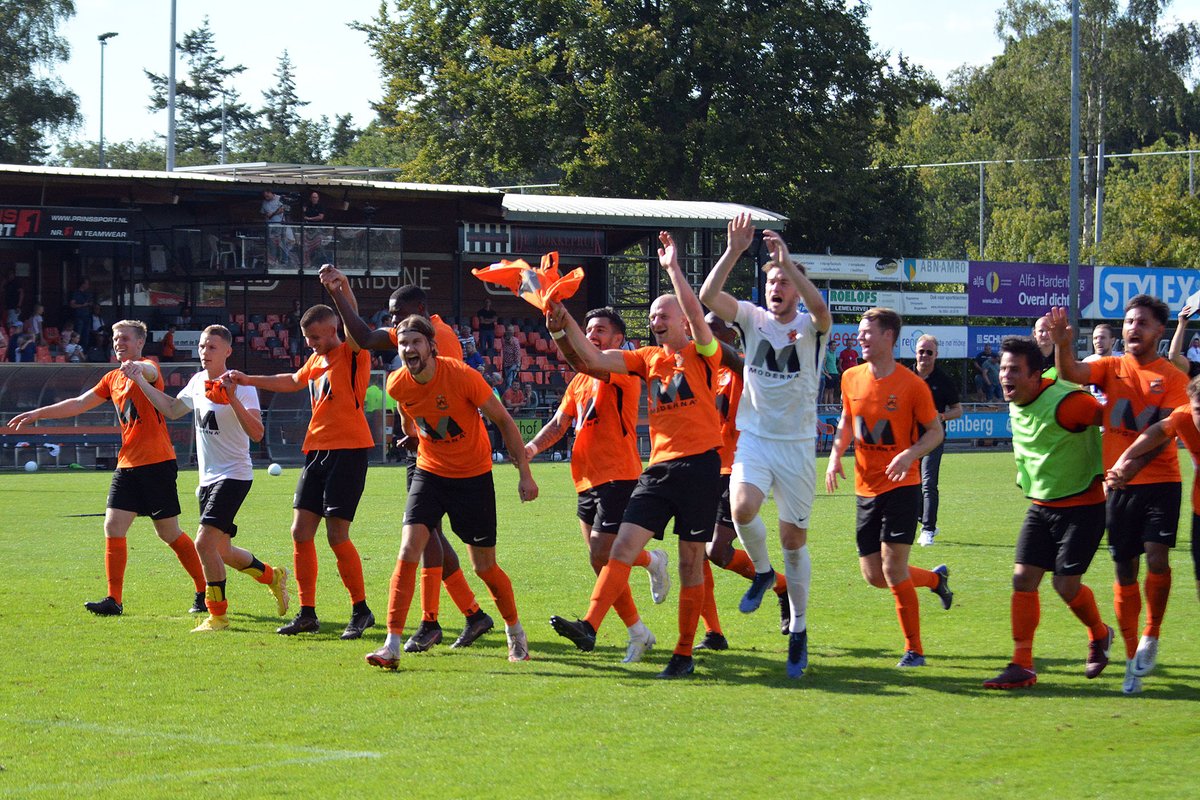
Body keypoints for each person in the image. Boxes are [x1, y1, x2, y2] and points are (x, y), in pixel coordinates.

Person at [549, 230, 724, 680]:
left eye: (664, 313)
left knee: (691, 561)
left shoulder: (705, 353)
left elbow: (699, 320)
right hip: (660, 469)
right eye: (651, 316)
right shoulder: (646, 358)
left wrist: (672, 270)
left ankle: (684, 652)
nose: (656, 320)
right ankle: (590, 625)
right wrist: (560, 321)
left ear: (685, 320)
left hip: (701, 465)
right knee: (620, 548)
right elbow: (589, 358)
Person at [319, 271, 495, 653]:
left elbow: (440, 389)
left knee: (428, 535)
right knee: (428, 533)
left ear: (419, 310)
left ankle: (435, 621)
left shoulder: (436, 338)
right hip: (429, 444)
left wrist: (339, 293)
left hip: (446, 452)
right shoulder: (426, 332)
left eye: (397, 313)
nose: (394, 321)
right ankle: (470, 614)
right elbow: (367, 339)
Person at [699, 213, 832, 678]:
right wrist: (735, 250)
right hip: (755, 439)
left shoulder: (813, 327)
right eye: (771, 280)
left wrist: (790, 264)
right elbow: (707, 299)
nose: (776, 286)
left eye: (784, 281)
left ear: (795, 287)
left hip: (795, 447)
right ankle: (759, 572)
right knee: (741, 509)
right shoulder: (753, 318)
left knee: (794, 543)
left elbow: (821, 312)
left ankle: (798, 627)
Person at [363, 314, 537, 668]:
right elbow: (406, 413)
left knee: (484, 566)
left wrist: (525, 474)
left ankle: (515, 632)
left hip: (473, 477)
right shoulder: (398, 383)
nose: (408, 349)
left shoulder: (461, 376)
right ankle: (392, 645)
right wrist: (411, 434)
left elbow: (503, 420)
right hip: (430, 473)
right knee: (409, 547)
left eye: (415, 342)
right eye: (402, 343)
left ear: (431, 346)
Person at [6, 319, 207, 616]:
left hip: (157, 463)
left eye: (125, 338)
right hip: (127, 464)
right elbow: (77, 404)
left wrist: (140, 370)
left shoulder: (146, 367)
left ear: (140, 342)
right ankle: (114, 599)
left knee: (168, 532)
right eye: (115, 338)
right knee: (113, 526)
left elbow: (151, 371)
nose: (119, 343)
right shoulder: (112, 378)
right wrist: (37, 414)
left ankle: (205, 589)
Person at [1047, 298, 1188, 695]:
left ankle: (1151, 634)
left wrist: (1129, 468)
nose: (1132, 329)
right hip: (1118, 487)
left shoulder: (1173, 377)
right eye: (1128, 322)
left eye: (1142, 323)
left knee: (1157, 557)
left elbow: (1164, 434)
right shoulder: (1112, 367)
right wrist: (1061, 343)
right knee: (1124, 569)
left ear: (1160, 331)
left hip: (1160, 482)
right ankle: (1130, 658)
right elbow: (1072, 371)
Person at [122, 325, 290, 632]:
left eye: (212, 347)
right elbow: (172, 409)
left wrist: (231, 397)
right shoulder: (198, 381)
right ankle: (273, 576)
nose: (204, 352)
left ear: (227, 351)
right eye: (201, 346)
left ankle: (218, 616)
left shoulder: (240, 384)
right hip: (207, 479)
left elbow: (257, 433)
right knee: (221, 551)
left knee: (203, 543)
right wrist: (139, 382)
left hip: (234, 475)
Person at [223, 304, 375, 640]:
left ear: (334, 330)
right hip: (316, 451)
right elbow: (292, 380)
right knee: (300, 532)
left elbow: (355, 323)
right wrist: (248, 378)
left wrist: (339, 290)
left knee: (337, 535)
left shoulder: (352, 352)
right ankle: (307, 613)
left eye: (316, 337)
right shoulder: (316, 360)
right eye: (308, 338)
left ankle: (361, 610)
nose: (311, 344)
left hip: (348, 451)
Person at [525, 305, 667, 662]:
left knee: (602, 553)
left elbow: (586, 360)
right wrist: (531, 447)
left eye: (600, 330)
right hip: (584, 477)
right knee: (599, 561)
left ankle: (598, 623)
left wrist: (560, 331)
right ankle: (639, 626)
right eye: (588, 329)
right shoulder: (580, 380)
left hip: (618, 474)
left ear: (618, 340)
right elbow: (559, 423)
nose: (592, 335)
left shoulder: (619, 367)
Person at [982, 336, 1114, 689]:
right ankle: (1022, 664)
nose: (1004, 376)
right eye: (1003, 368)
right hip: (1042, 506)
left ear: (1036, 375)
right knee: (1022, 578)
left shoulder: (1069, 403)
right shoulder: (1017, 399)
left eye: (1013, 370)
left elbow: (1112, 421)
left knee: (1064, 585)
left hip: (1083, 508)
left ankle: (1100, 635)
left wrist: (1120, 467)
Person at [825, 308, 952, 668]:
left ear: (889, 338)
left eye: (868, 332)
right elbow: (847, 421)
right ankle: (934, 580)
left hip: (902, 486)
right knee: (874, 576)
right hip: (866, 490)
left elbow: (935, 432)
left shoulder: (912, 385)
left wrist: (908, 455)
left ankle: (915, 650)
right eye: (860, 332)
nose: (861, 338)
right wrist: (836, 457)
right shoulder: (851, 377)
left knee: (894, 569)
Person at [694, 312, 791, 650]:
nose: (707, 334)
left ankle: (781, 585)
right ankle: (714, 633)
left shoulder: (747, 368)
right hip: (702, 470)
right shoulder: (702, 371)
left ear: (733, 336)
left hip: (738, 469)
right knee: (697, 553)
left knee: (716, 550)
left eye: (715, 329)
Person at [1106, 374, 1200, 693]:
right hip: (1199, 512)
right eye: (1199, 409)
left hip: (1166, 491)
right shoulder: (1183, 417)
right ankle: (1138, 647)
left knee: (1157, 559)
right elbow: (1156, 433)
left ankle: (1149, 633)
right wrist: (1123, 461)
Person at [913, 335, 963, 546]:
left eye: (929, 352)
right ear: (915, 352)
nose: (924, 356)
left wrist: (941, 416)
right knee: (910, 484)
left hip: (934, 438)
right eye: (921, 351)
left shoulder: (943, 380)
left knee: (928, 482)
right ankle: (922, 517)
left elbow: (958, 410)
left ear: (936, 355)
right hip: (909, 440)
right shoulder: (905, 376)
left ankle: (928, 529)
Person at [69, 279, 94, 347]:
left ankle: (84, 352)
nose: (88, 285)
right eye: (86, 284)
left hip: (87, 316)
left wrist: (89, 304)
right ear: (82, 284)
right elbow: (72, 305)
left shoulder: (88, 293)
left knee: (86, 335)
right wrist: (82, 305)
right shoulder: (76, 293)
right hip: (79, 316)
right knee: (78, 334)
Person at [500, 325, 523, 394]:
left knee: (510, 381)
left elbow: (517, 354)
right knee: (507, 381)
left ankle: (507, 395)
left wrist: (518, 365)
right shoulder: (503, 339)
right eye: (509, 330)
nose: (510, 332)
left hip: (513, 364)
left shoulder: (515, 341)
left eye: (511, 330)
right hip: (506, 363)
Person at [822, 339, 840, 404]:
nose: (835, 346)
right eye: (833, 345)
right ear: (830, 346)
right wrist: (827, 372)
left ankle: (831, 405)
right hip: (830, 374)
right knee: (827, 390)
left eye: (835, 345)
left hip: (835, 373)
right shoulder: (826, 353)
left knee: (832, 390)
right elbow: (823, 364)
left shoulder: (834, 354)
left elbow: (834, 364)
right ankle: (826, 405)